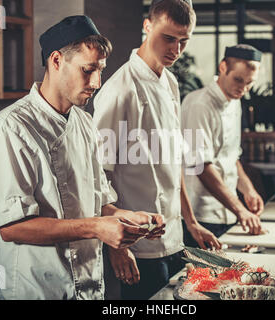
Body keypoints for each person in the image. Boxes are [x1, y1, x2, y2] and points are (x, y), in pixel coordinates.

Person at [0, 15, 164, 300]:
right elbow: (12, 227)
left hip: (89, 286)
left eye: (100, 70)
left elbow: (100, 202)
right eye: (88, 69)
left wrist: (129, 221)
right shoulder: (9, 127)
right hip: (37, 290)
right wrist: (96, 228)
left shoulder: (84, 122)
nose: (97, 81)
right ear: (56, 61)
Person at [93, 0, 221, 300]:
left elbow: (173, 163)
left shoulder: (171, 82)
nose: (176, 50)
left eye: (183, 41)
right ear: (147, 26)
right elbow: (97, 177)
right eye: (168, 38)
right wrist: (117, 246)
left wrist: (191, 222)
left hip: (174, 237)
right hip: (138, 247)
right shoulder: (119, 90)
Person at [181, 44, 264, 248]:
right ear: (223, 67)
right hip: (202, 217)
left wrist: (248, 190)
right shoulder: (199, 104)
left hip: (227, 214)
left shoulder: (234, 102)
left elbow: (230, 157)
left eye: (249, 84)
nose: (243, 89)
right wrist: (240, 209)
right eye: (238, 80)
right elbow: (200, 165)